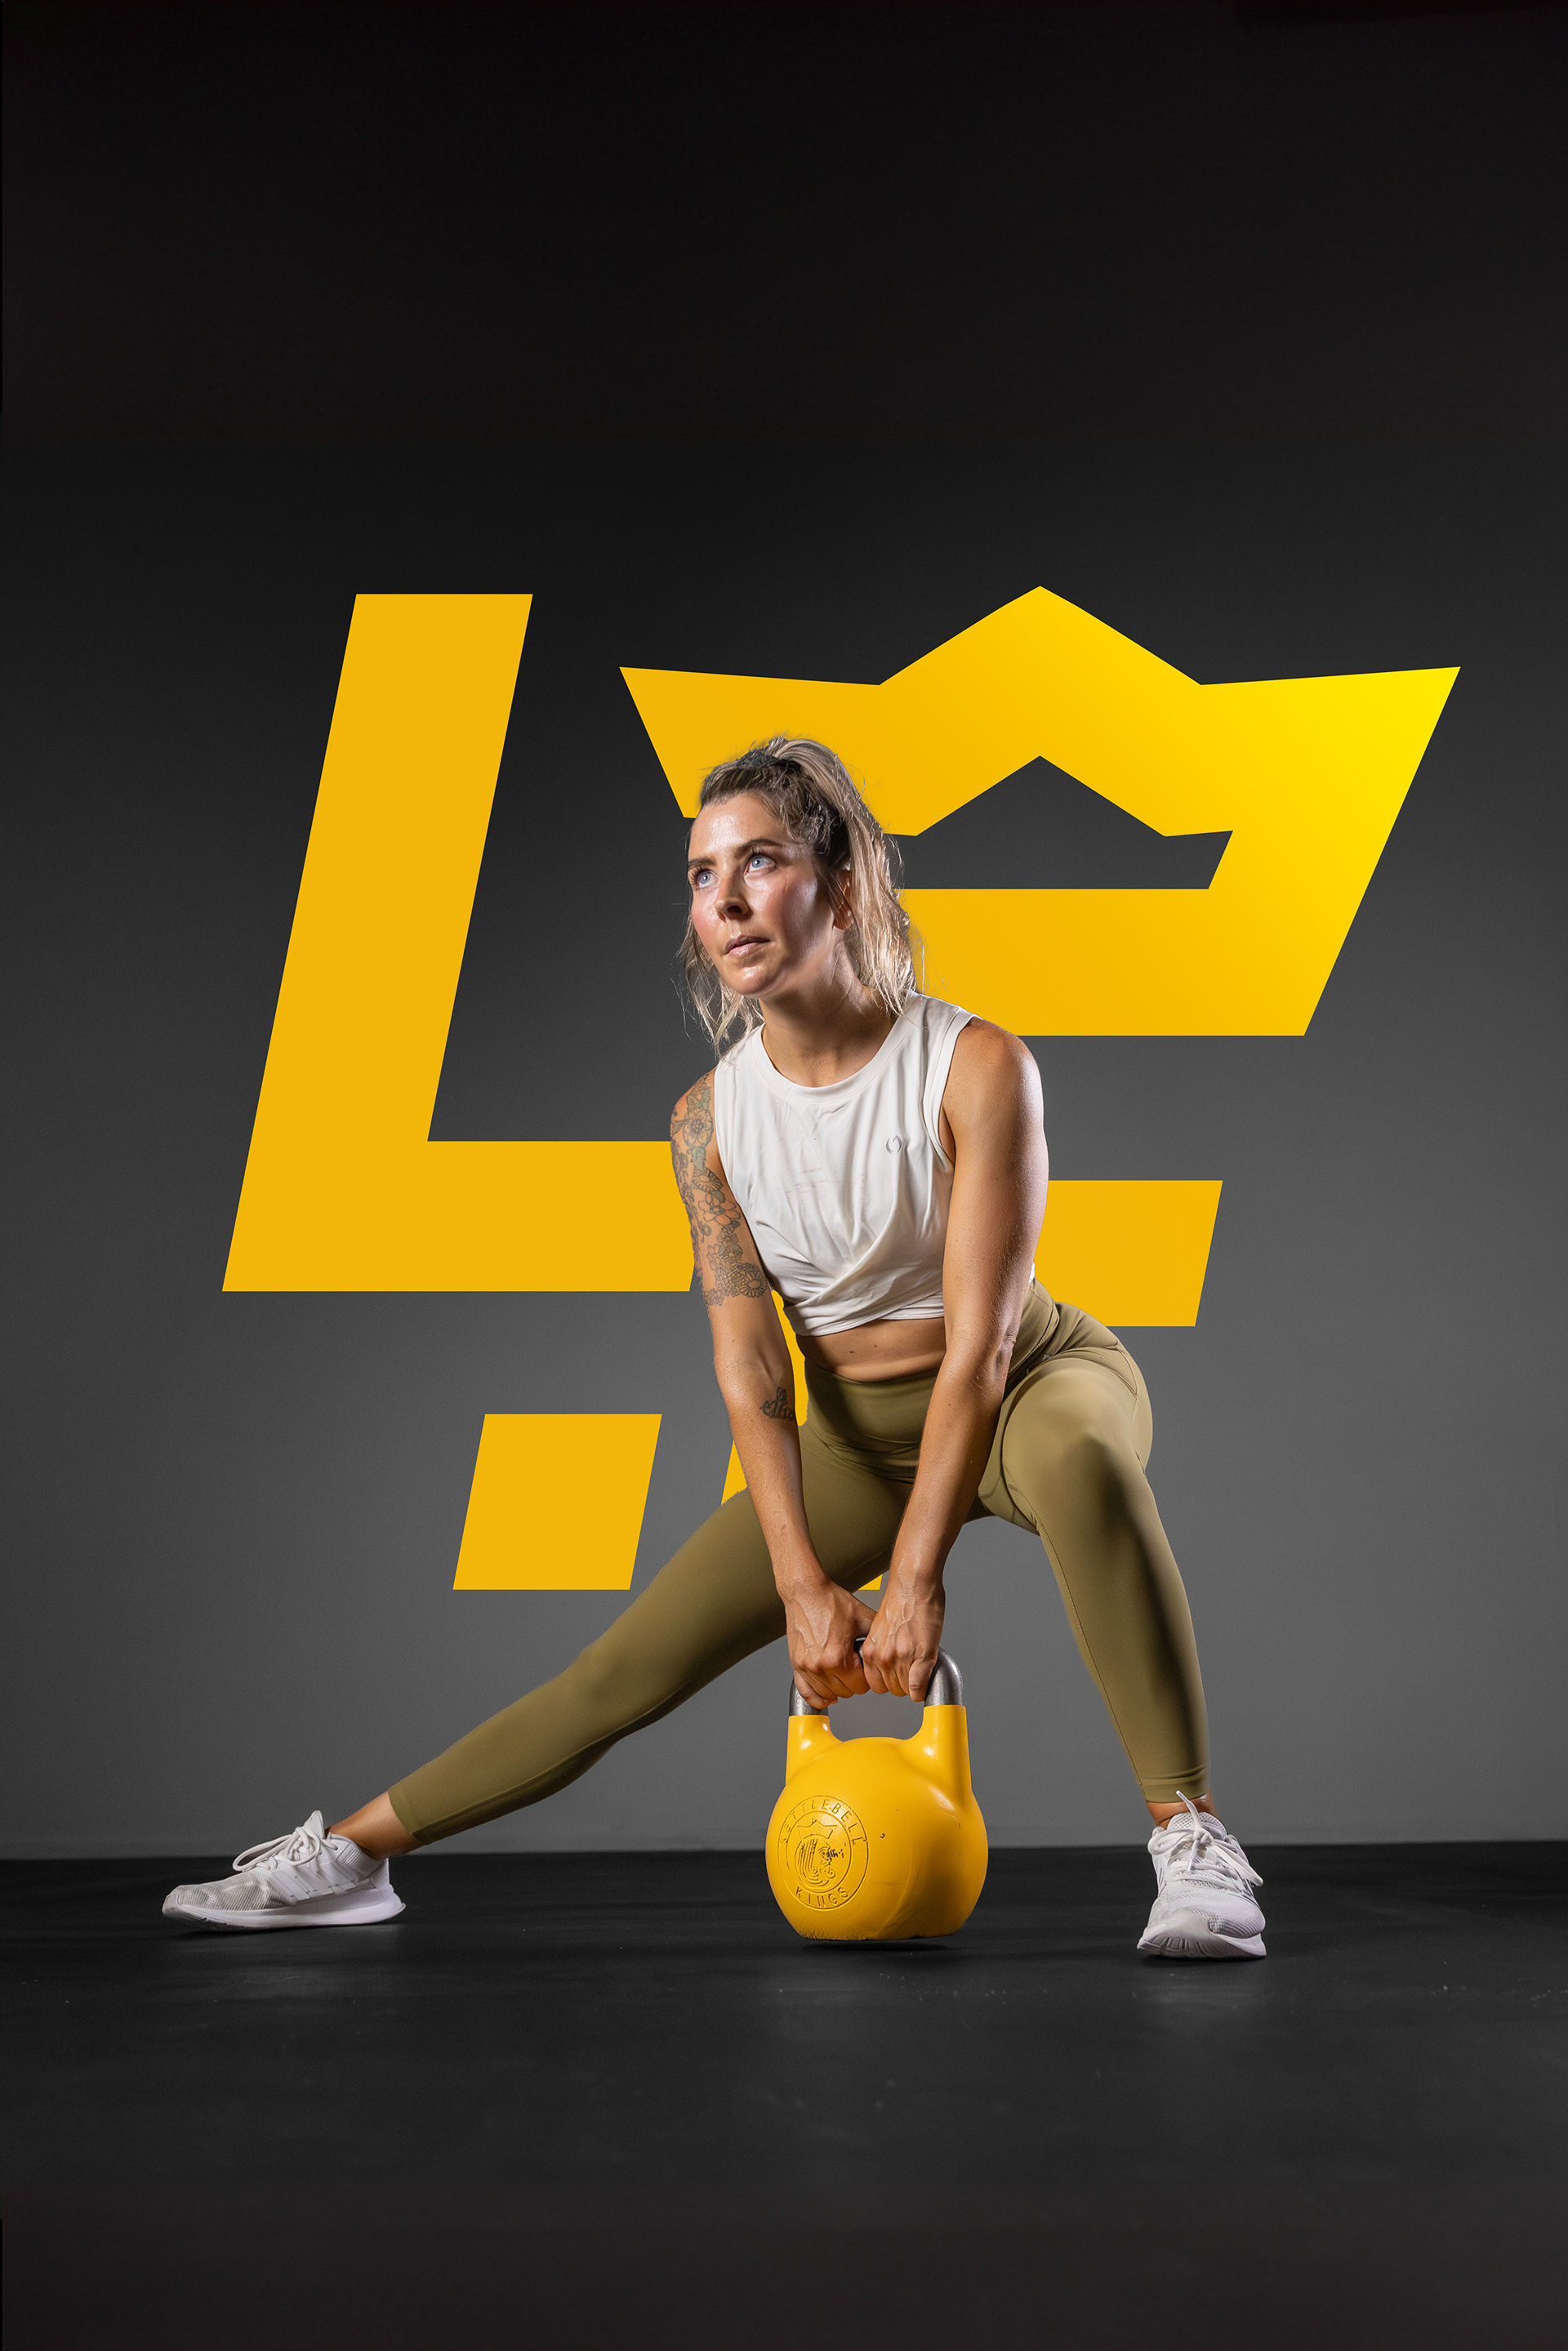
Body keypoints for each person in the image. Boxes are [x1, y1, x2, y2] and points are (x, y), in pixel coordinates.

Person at [164, 738, 1265, 1959]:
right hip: (850, 1436)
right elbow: (752, 1366)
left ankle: (1196, 1849)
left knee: (1085, 1471)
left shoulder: (975, 1067)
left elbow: (985, 1345)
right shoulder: (707, 1123)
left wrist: (912, 1577)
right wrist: (804, 1584)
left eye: (760, 863)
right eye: (702, 876)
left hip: (1029, 1386)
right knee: (618, 1672)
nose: (726, 901)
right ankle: (351, 1859)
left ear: (842, 886)